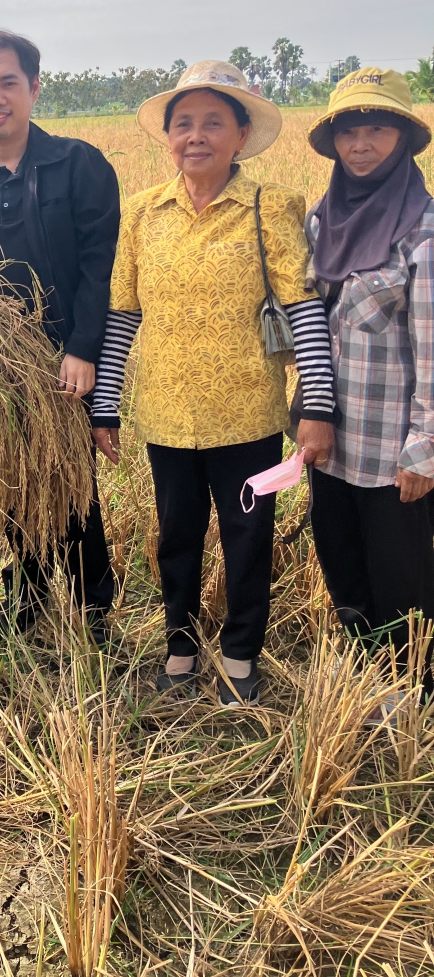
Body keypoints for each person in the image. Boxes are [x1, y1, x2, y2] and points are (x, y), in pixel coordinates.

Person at [91, 60, 336, 705]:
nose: (195, 136)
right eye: (183, 124)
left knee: (247, 536)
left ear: (241, 134)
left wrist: (317, 403)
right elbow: (123, 314)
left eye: (213, 123)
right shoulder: (143, 213)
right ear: (168, 136)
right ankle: (180, 645)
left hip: (249, 412)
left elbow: (303, 309)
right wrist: (106, 404)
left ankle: (239, 652)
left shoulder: (270, 206)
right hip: (167, 411)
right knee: (175, 536)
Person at [0, 29, 120, 645]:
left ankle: (91, 605)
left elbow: (100, 266)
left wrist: (83, 348)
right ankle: (25, 598)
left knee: (71, 477)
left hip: (63, 355)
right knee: (8, 475)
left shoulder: (79, 164)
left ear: (34, 88)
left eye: (9, 82)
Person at [304, 68, 434, 663]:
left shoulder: (423, 230)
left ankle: (410, 686)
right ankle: (363, 677)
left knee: (403, 583)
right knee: (343, 564)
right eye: (349, 132)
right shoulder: (319, 221)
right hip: (331, 440)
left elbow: (431, 349)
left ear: (404, 138)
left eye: (377, 129)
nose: (360, 145)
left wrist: (423, 447)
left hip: (393, 451)